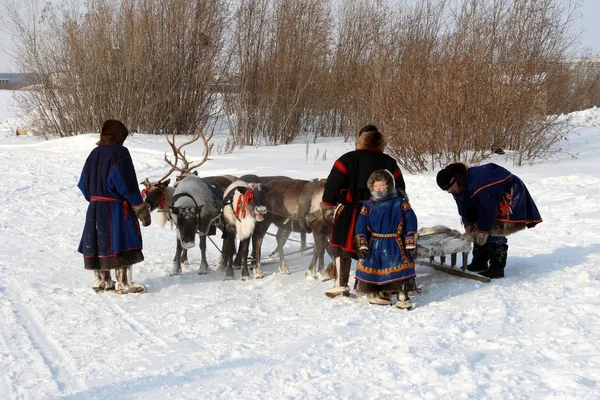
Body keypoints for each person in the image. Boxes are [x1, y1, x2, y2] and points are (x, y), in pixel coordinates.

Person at [321, 124, 406, 298]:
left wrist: (328, 203)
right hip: (382, 212)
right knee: (378, 247)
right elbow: (401, 189)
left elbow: (332, 185)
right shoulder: (389, 162)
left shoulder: (347, 159)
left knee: (342, 247)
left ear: (360, 140)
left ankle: (341, 284)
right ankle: (378, 286)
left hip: (352, 211)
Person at [77, 119, 151, 294]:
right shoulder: (120, 153)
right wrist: (139, 206)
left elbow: (83, 184)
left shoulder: (93, 154)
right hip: (115, 208)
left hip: (95, 207)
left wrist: (96, 199)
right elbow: (127, 183)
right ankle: (123, 283)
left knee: (99, 241)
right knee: (121, 241)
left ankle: (102, 281)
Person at [436, 162, 542, 278]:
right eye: (447, 190)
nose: (450, 192)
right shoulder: (459, 187)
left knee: (496, 227)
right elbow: (464, 206)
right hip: (487, 197)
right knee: (479, 225)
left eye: (450, 188)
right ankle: (479, 262)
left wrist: (480, 230)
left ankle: (497, 267)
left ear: (455, 180)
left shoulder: (478, 184)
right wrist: (469, 224)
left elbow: (488, 211)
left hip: (508, 190)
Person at [354, 169, 417, 309]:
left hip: (395, 242)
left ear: (389, 185)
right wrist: (362, 244)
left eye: (381, 185)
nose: (378, 188)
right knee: (377, 269)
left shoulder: (399, 202)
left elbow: (411, 221)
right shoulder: (368, 204)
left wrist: (410, 242)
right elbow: (361, 225)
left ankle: (403, 297)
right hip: (375, 244)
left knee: (399, 270)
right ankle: (382, 294)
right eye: (376, 186)